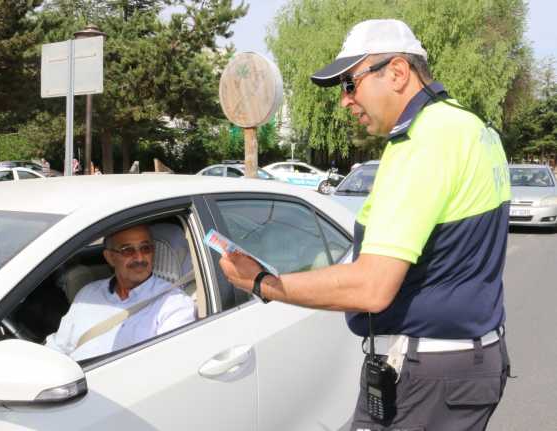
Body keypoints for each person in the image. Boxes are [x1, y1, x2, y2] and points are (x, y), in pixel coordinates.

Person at [219, 19, 511, 430]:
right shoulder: (470, 126)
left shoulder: (423, 143)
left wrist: (262, 282)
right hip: (463, 362)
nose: (344, 101)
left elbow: (371, 287)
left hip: (430, 373)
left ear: (396, 72)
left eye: (350, 83)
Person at [45, 225, 195, 360]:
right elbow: (58, 348)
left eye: (145, 248)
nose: (139, 258)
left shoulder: (173, 303)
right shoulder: (88, 295)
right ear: (110, 257)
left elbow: (172, 363)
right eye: (128, 250)